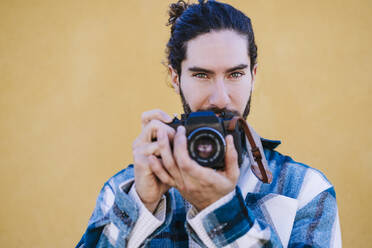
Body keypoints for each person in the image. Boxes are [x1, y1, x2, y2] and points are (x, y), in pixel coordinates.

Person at [76, 0, 342, 247]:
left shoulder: (304, 190)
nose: (220, 98)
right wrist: (140, 206)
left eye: (235, 74)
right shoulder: (124, 188)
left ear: (253, 76)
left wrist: (219, 209)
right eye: (202, 75)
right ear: (176, 77)